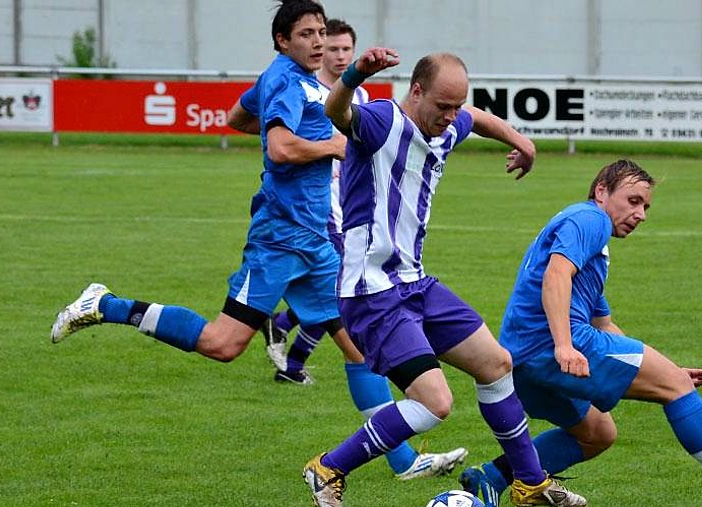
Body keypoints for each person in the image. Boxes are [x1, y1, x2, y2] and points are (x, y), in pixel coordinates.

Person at [49, 1, 465, 481]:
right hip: (281, 239)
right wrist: (330, 146)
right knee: (222, 344)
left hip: (318, 237)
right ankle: (107, 304)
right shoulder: (286, 80)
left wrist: (290, 133)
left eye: (321, 32)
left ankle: (404, 461)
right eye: (306, 34)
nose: (318, 42)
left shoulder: (295, 80)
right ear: (282, 42)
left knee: (358, 348)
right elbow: (280, 148)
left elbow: (236, 117)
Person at [302, 49, 588, 507]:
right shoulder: (382, 122)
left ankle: (529, 481)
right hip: (372, 292)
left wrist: (522, 142)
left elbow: (476, 117)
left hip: (415, 283)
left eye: (456, 106)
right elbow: (337, 112)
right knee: (435, 402)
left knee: (496, 364)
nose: (452, 116)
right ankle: (328, 469)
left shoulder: (447, 124)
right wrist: (355, 75)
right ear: (416, 91)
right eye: (443, 106)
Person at [457, 159, 702, 507]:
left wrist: (669, 372)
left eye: (646, 206)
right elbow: (557, 275)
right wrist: (564, 345)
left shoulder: (590, 244)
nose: (641, 215)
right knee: (673, 389)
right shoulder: (591, 219)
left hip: (524, 361)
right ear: (601, 191)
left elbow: (604, 324)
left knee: (597, 433)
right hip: (551, 347)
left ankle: (490, 477)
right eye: (633, 201)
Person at [262, 18, 370, 386]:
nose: (339, 55)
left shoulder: (361, 97)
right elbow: (281, 144)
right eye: (333, 48)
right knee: (338, 294)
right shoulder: (306, 92)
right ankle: (292, 363)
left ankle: (281, 326)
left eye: (345, 49)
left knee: (333, 292)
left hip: (351, 211)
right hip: (320, 213)